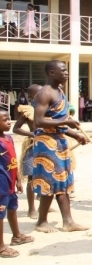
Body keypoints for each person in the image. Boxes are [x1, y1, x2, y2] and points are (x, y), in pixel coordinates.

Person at [32, 60, 89, 233]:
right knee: (49, 182)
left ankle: (68, 221)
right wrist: (66, 121)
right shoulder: (44, 93)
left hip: (59, 142)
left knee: (62, 182)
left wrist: (75, 135)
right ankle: (41, 221)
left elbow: (60, 125)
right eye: (63, 70)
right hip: (46, 143)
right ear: (51, 73)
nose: (66, 73)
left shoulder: (60, 92)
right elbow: (38, 121)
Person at [0, 110, 35, 257]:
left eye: (9, 119)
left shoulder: (9, 138)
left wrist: (18, 180)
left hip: (10, 182)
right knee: (0, 214)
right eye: (5, 120)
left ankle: (16, 236)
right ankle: (1, 247)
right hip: (1, 185)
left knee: (12, 208)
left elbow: (13, 161)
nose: (9, 122)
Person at [12, 84, 42, 218]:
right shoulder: (28, 111)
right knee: (32, 176)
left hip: (47, 145)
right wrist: (32, 134)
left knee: (45, 176)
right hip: (33, 146)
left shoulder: (48, 108)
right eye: (40, 92)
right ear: (32, 96)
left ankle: (43, 205)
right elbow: (16, 129)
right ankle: (31, 209)